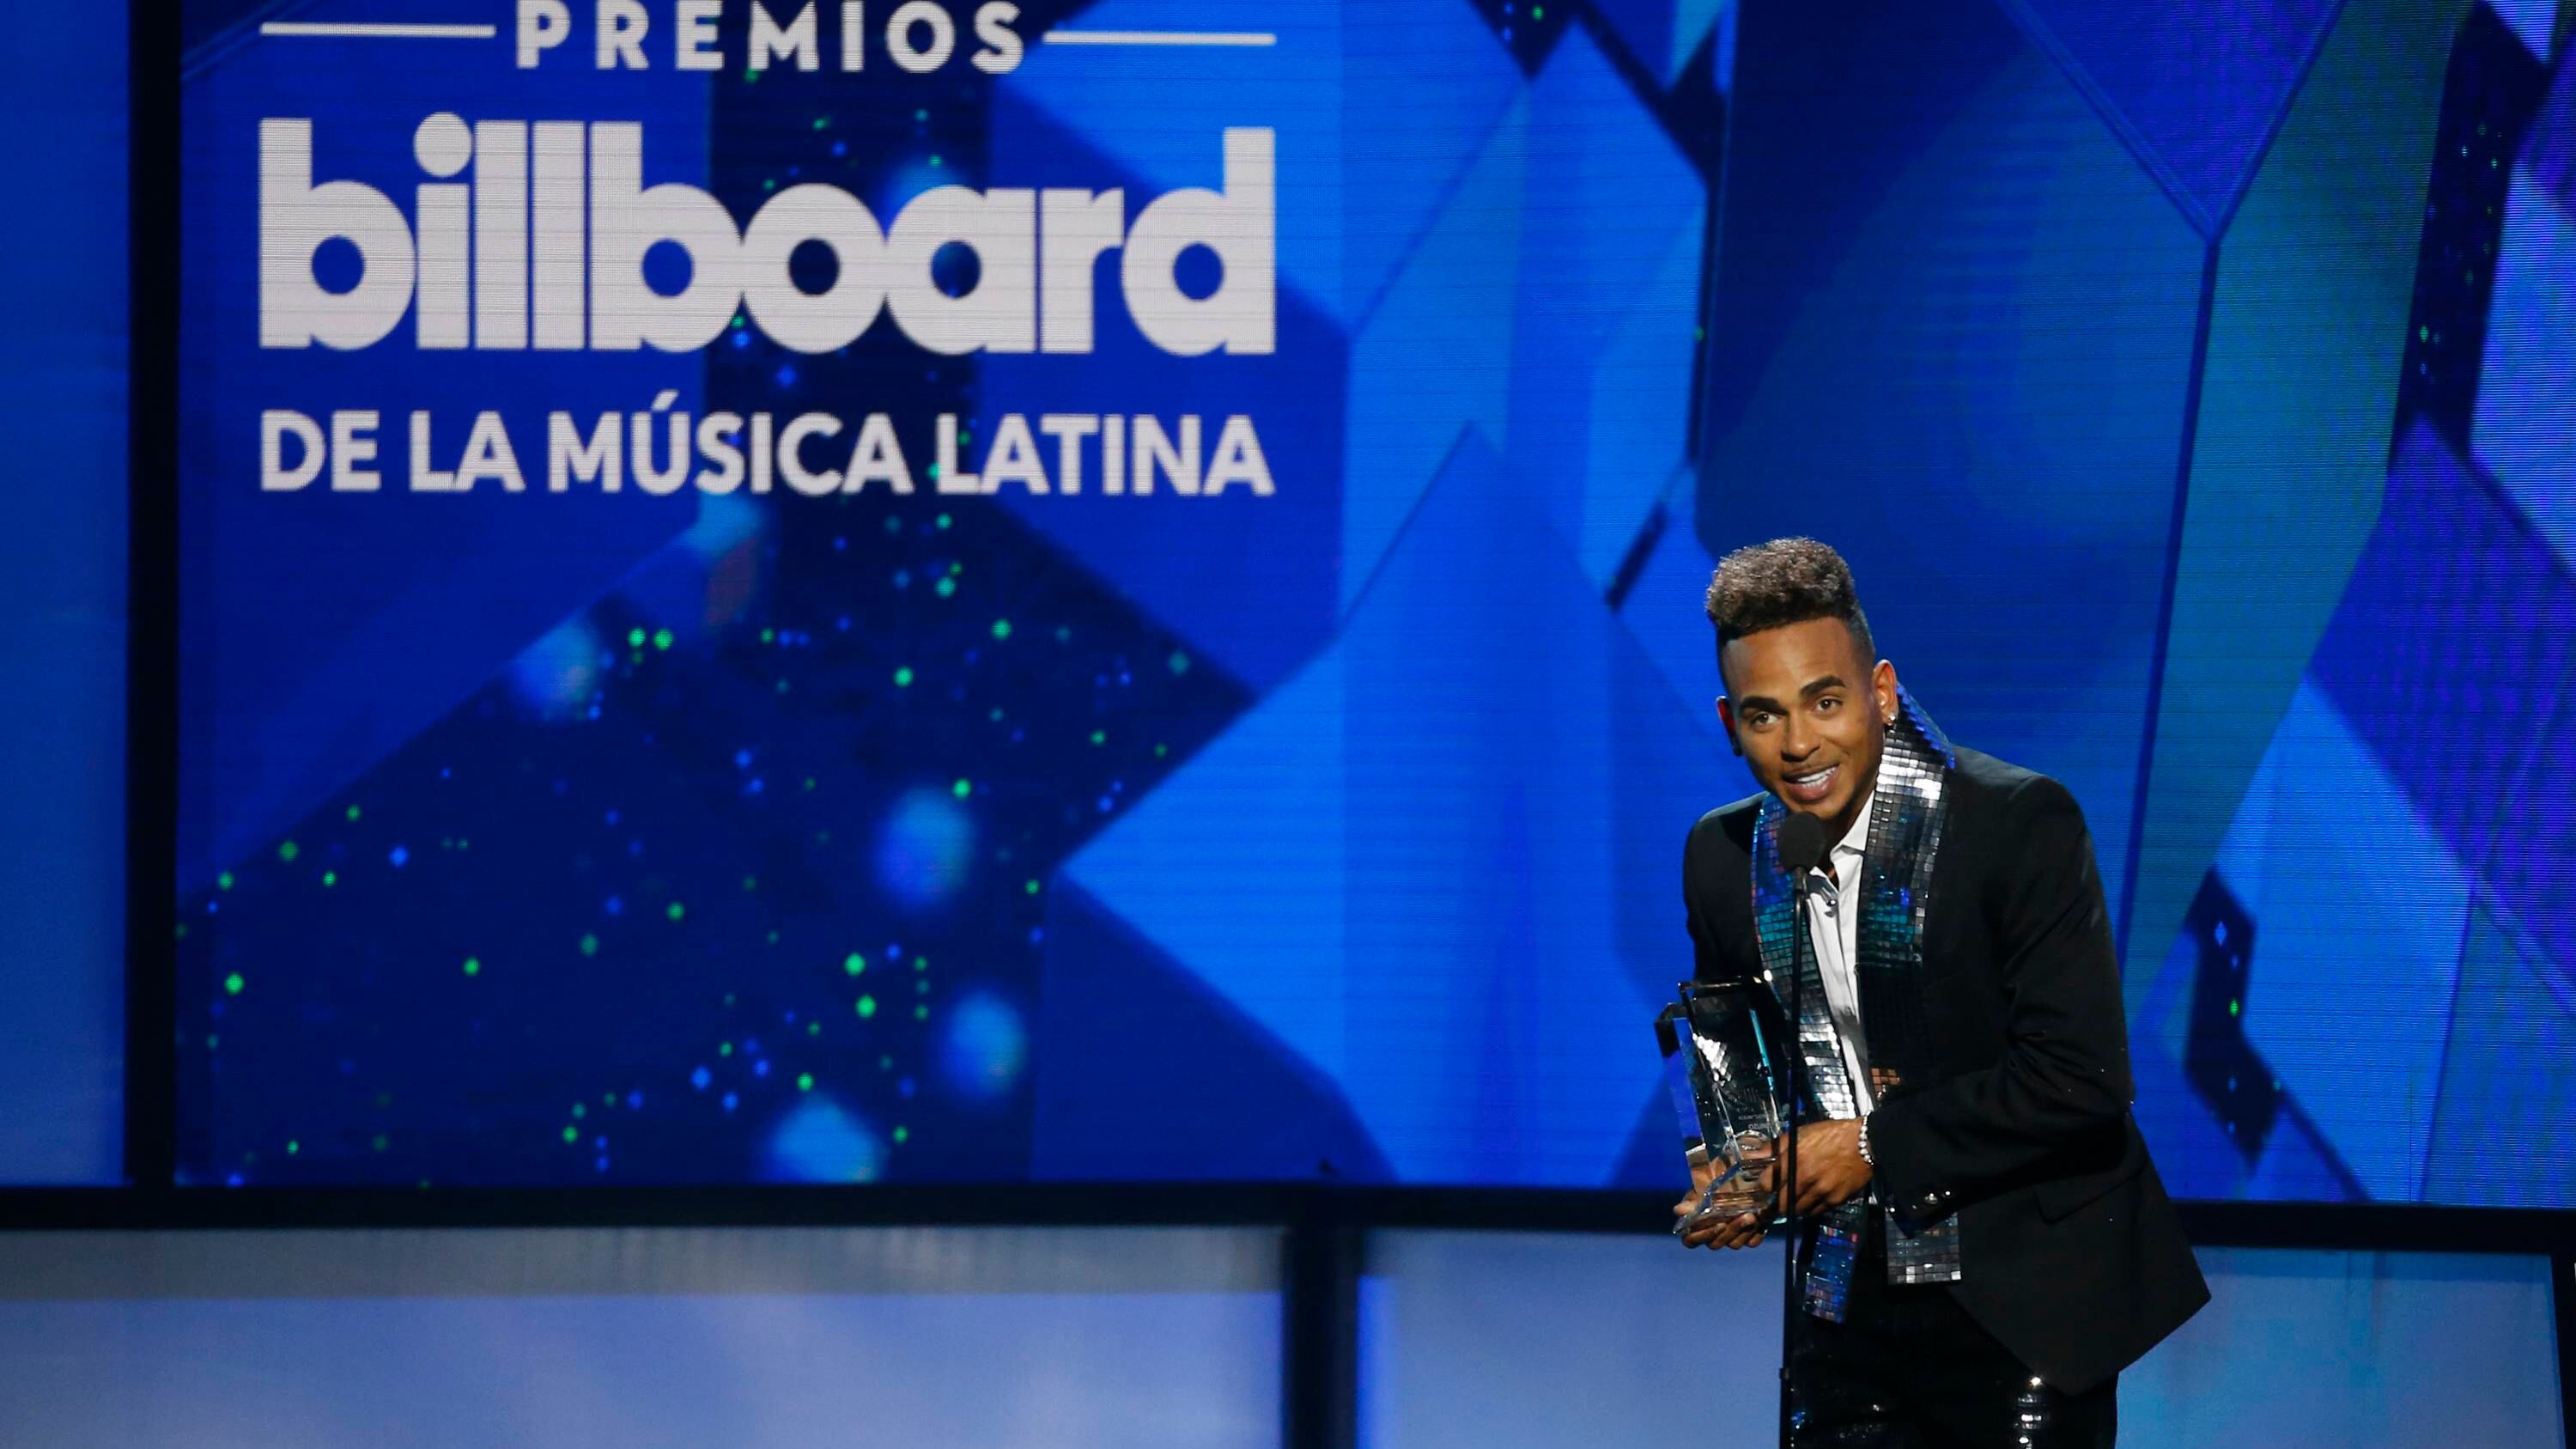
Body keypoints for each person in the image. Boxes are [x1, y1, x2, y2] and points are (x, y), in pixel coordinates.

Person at [1675, 538, 2206, 1447]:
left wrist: (1868, 1145)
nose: (1799, 744)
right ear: (1730, 723)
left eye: (1826, 701)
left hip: (2022, 1306)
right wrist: (1740, 1169)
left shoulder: (2015, 824)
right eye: (1765, 715)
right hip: (1845, 1311)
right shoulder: (1724, 857)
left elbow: (2079, 1078)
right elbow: (1731, 1044)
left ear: (1881, 692)